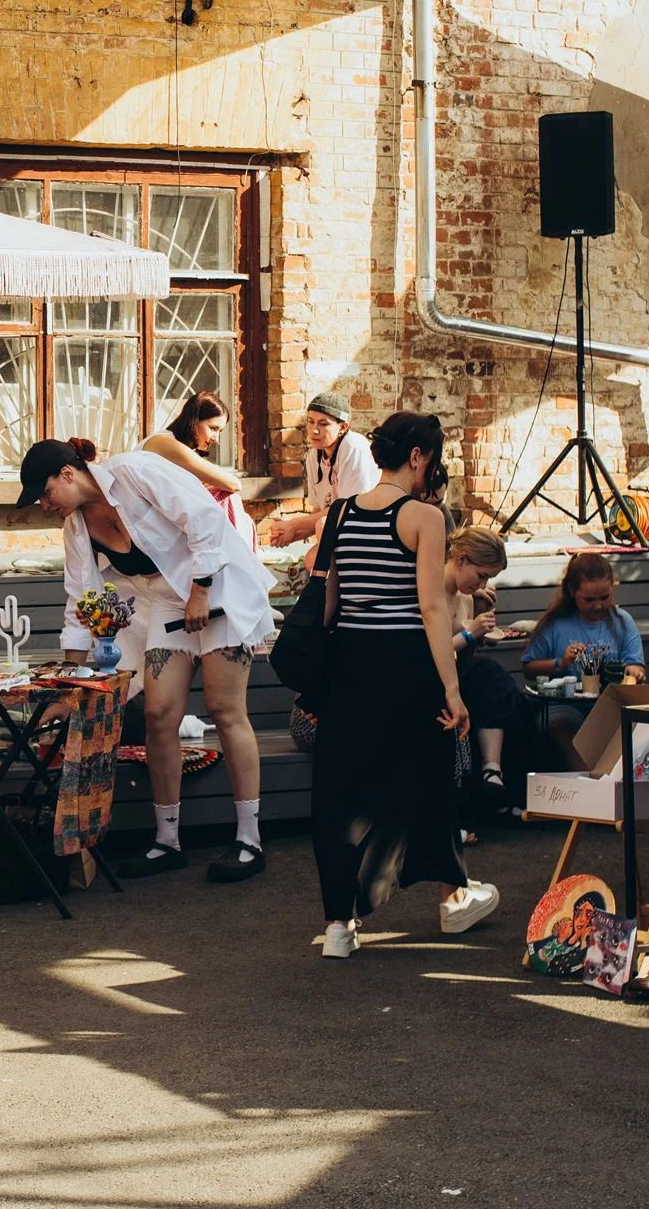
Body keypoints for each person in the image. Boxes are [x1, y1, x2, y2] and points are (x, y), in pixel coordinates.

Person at [19, 436, 277, 882]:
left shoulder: (135, 471)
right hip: (167, 600)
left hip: (218, 585)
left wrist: (200, 591)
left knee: (224, 708)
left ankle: (249, 839)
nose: (45, 505)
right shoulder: (76, 527)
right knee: (158, 714)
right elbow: (81, 601)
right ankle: (167, 840)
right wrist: (69, 684)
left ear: (68, 473)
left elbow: (204, 520)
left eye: (45, 493)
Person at [312, 412, 499, 958]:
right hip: (405, 663)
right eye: (432, 460)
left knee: (343, 792)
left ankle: (339, 924)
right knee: (428, 778)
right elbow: (432, 608)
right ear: (417, 457)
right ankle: (453, 897)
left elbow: (330, 600)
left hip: (349, 662)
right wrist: (453, 691)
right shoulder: (423, 516)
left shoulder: (341, 511)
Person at [444, 527, 526, 824]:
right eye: (481, 575)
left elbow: (466, 652)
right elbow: (433, 650)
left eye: (488, 579)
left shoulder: (465, 595)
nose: (482, 584)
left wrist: (480, 616)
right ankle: (493, 775)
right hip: (430, 674)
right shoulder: (434, 590)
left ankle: (502, 788)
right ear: (461, 559)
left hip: (456, 674)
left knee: (514, 700)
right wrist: (470, 632)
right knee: (491, 676)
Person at [265, 392, 379, 557]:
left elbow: (348, 509)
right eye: (310, 422)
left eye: (323, 424)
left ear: (343, 427)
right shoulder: (314, 456)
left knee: (323, 528)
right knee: (311, 558)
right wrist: (290, 533)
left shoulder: (353, 447)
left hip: (371, 529)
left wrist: (294, 524)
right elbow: (318, 512)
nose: (314, 430)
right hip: (341, 529)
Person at [145, 391, 255, 545]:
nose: (216, 439)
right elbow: (234, 484)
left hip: (161, 520)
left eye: (220, 431)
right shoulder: (163, 442)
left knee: (238, 513)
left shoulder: (177, 447)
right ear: (194, 420)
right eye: (213, 428)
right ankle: (238, 555)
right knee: (229, 497)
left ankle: (235, 553)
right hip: (148, 522)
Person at [522, 553, 648, 686]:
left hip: (611, 697)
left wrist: (635, 672)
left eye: (605, 597)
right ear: (572, 590)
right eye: (589, 600)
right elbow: (529, 669)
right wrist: (561, 663)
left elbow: (636, 665)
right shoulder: (555, 623)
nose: (598, 606)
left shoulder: (623, 621)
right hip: (566, 698)